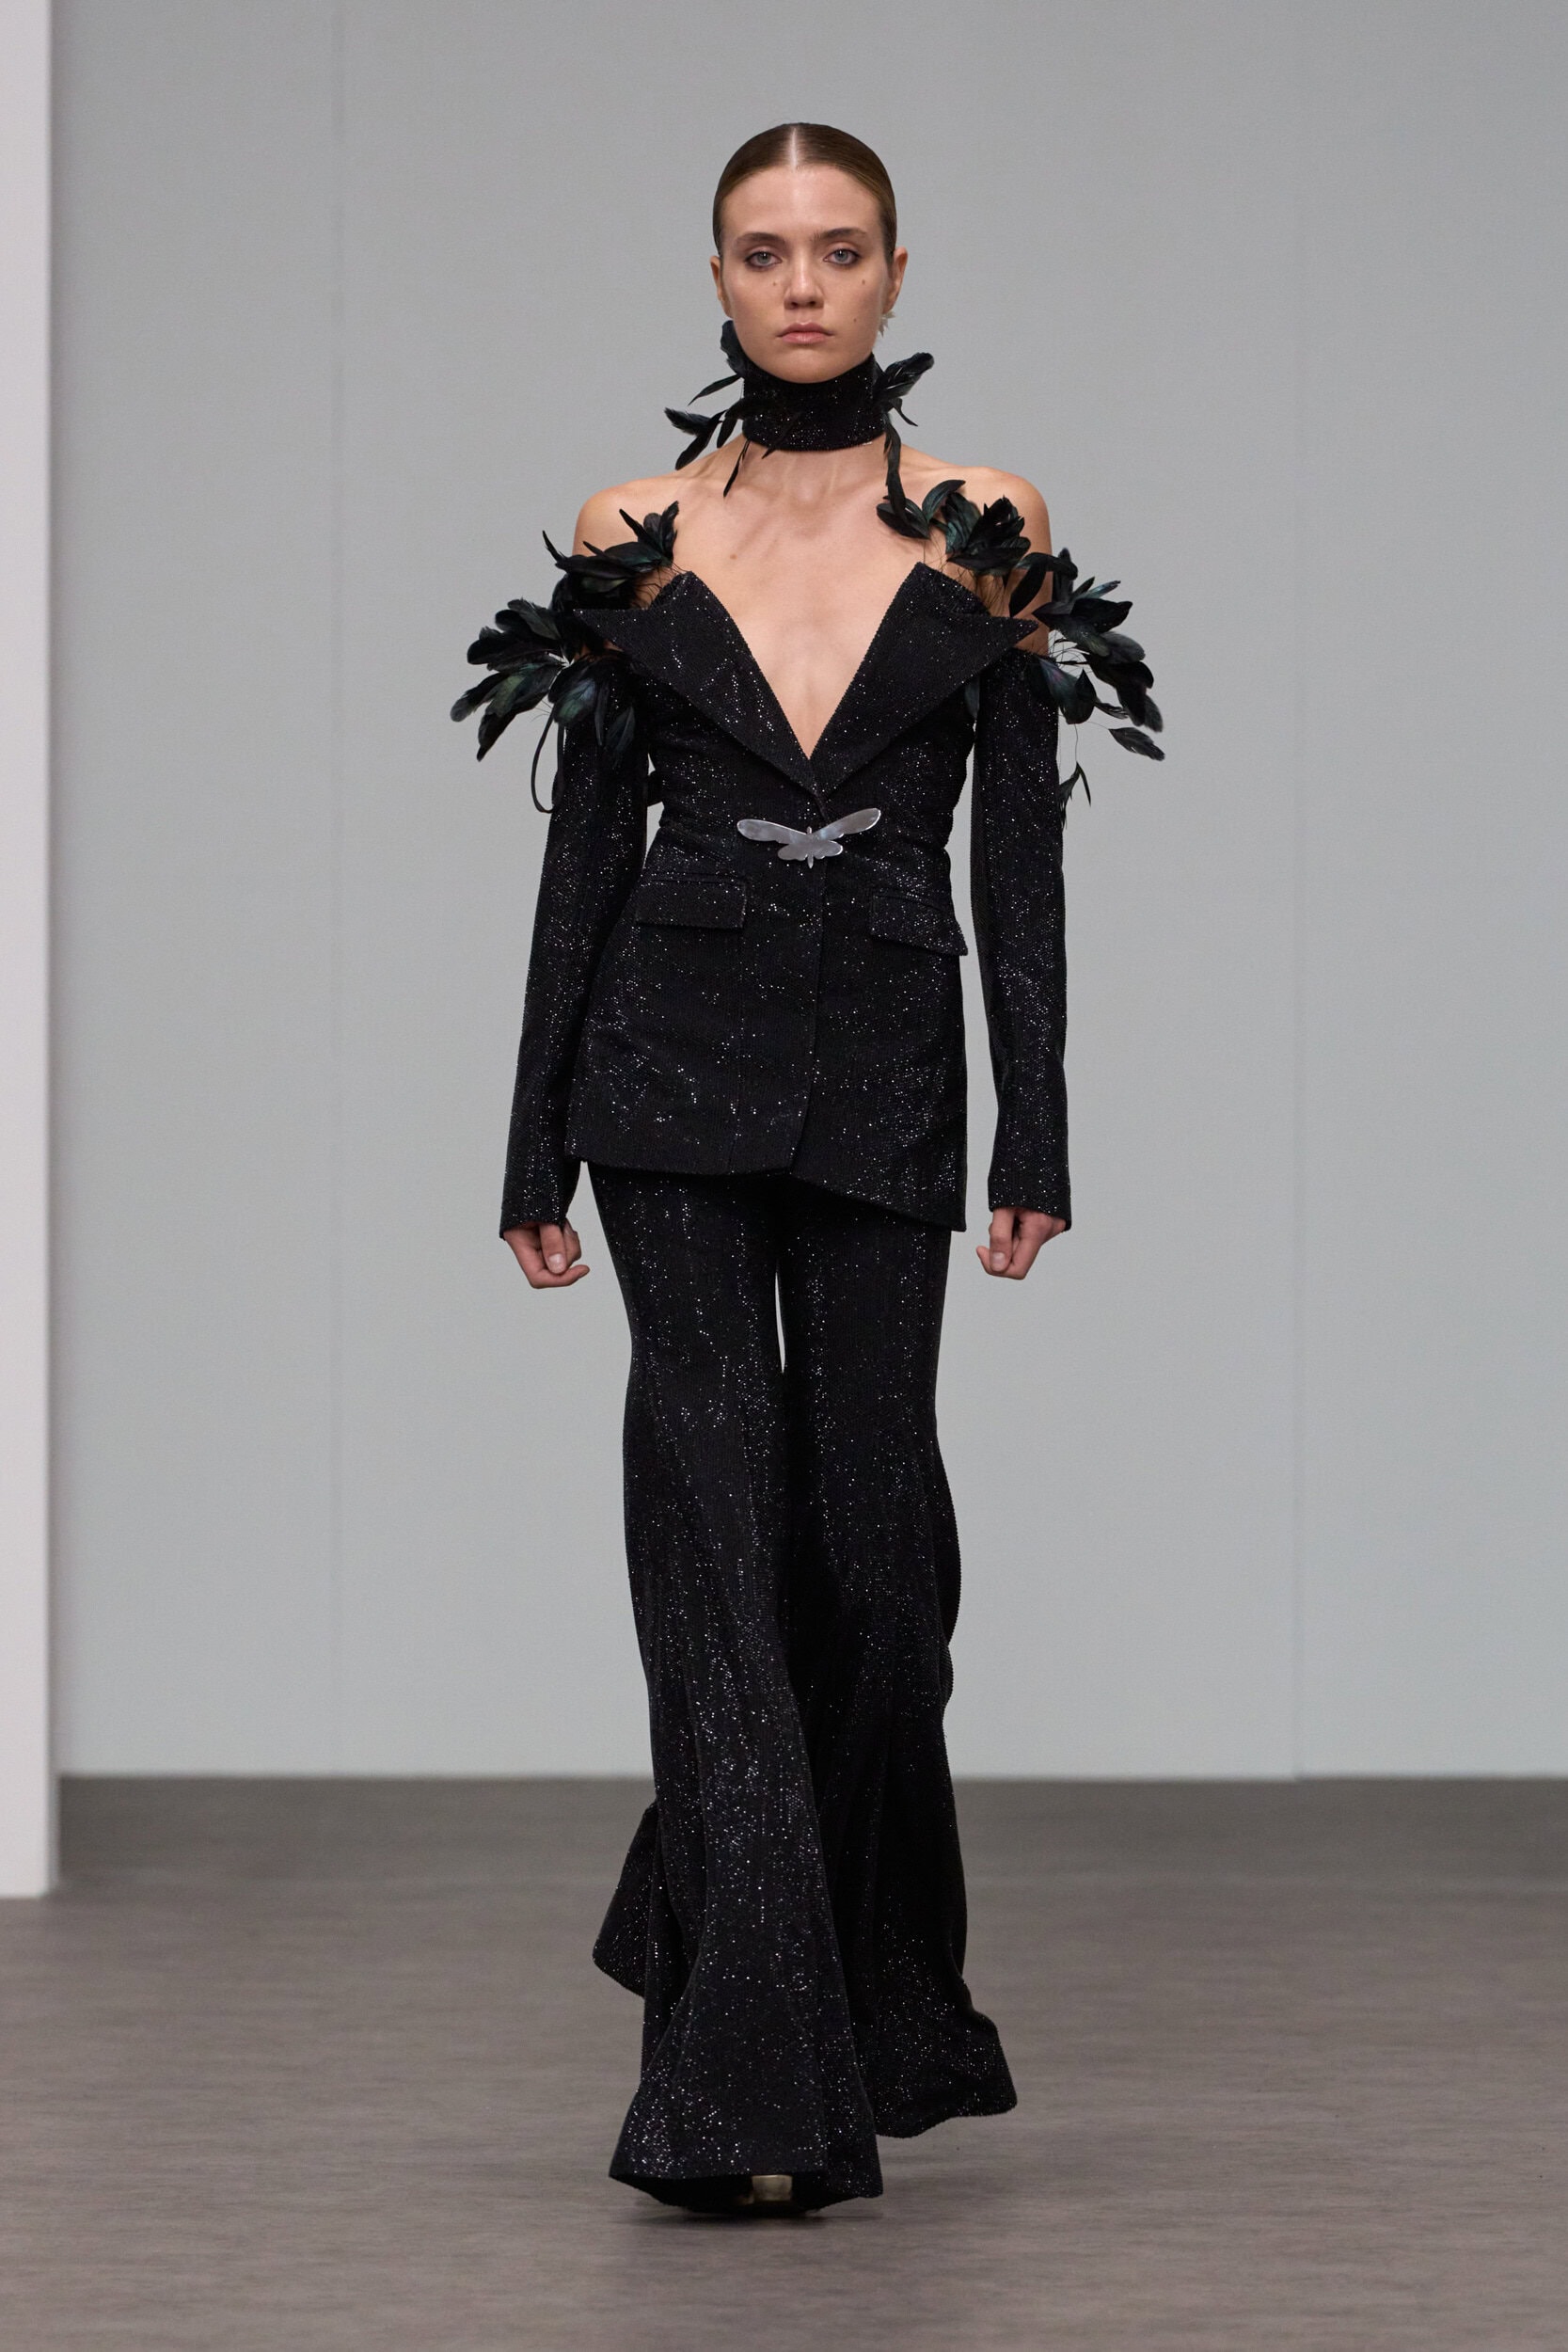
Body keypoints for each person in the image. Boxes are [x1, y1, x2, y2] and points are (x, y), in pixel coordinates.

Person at [453, 122, 1158, 2216]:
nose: (802, 286)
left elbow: (1019, 856)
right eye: (764, 254)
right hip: (661, 1074)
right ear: (717, 279)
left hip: (883, 1076)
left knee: (875, 1565)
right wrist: (529, 1138)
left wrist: (1037, 1124)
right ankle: (740, 2090)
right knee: (709, 1533)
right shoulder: (638, 529)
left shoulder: (988, 527)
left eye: (839, 251)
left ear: (896, 273)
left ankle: (742, 1932)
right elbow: (585, 843)